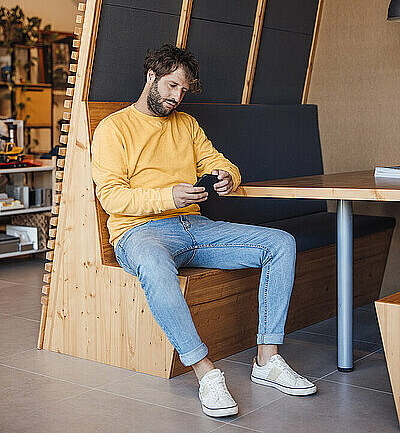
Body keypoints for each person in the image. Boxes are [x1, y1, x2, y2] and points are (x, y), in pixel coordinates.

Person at [91, 44, 317, 418]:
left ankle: (268, 358)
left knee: (280, 242)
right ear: (151, 76)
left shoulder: (186, 125)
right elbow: (113, 199)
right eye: (171, 86)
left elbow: (215, 159)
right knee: (153, 262)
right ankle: (205, 371)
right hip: (141, 232)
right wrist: (169, 195)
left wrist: (229, 175)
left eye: (184, 90)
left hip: (195, 226)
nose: (177, 97)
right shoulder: (115, 129)